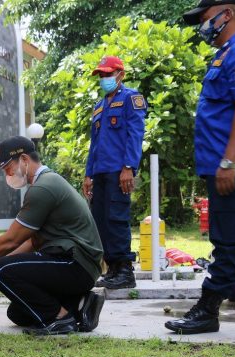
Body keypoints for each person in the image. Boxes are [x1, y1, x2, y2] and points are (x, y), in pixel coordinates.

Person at [0, 136, 105, 336]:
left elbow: (12, 240)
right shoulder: (45, 183)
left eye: (7, 168)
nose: (7, 174)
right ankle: (78, 305)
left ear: (24, 159)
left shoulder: (43, 188)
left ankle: (61, 318)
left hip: (75, 264)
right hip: (75, 264)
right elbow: (32, 241)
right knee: (19, 313)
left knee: (2, 270)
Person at [166, 0, 235, 334]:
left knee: (228, 241)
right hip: (229, 167)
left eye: (206, 18)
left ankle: (208, 308)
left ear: (226, 14)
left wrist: (228, 161)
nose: (203, 26)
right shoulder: (225, 53)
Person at [84, 56, 147, 290]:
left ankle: (125, 270)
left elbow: (135, 134)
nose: (104, 79)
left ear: (120, 74)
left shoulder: (131, 98)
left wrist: (129, 167)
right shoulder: (99, 106)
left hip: (119, 171)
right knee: (100, 220)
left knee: (117, 218)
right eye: (101, 75)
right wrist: (88, 174)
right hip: (99, 172)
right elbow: (95, 143)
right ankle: (111, 268)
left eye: (108, 74)